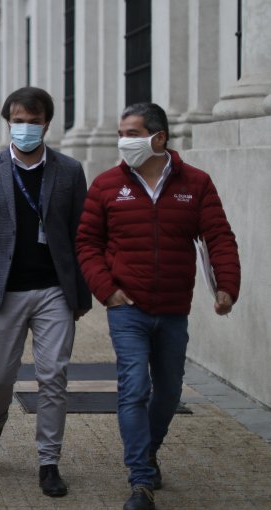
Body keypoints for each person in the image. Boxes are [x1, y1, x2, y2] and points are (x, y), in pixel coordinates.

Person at [76, 102, 240, 510]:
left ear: (159, 137)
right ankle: (140, 480)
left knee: (167, 392)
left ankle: (149, 449)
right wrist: (107, 291)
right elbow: (87, 243)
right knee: (134, 388)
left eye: (132, 133)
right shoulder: (107, 185)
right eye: (121, 133)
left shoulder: (196, 184)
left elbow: (219, 236)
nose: (123, 141)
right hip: (126, 307)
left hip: (172, 309)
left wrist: (227, 288)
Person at [0, 86, 91, 497]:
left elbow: (82, 236)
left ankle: (48, 461)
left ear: (46, 124)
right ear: (8, 123)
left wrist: (81, 294)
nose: (26, 128)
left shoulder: (69, 171)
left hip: (54, 290)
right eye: (19, 121)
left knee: (53, 376)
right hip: (4, 292)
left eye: (34, 121)